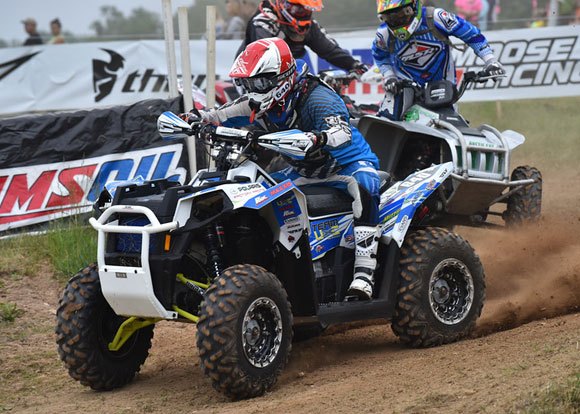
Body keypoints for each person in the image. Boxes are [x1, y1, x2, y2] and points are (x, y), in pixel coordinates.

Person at [189, 37, 382, 300]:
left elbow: (343, 132)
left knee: (366, 186)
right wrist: (196, 119)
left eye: (257, 83)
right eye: (247, 83)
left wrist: (319, 138)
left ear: (280, 77)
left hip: (346, 166)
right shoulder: (258, 104)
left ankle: (364, 274)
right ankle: (265, 267)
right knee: (254, 191)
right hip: (304, 172)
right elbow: (218, 115)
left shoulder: (318, 97)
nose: (252, 90)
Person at [372, 0, 505, 120]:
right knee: (386, 122)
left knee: (450, 126)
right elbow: (380, 56)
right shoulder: (383, 34)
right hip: (404, 86)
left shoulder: (436, 17)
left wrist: (490, 61)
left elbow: (472, 35)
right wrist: (389, 77)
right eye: (390, 18)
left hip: (442, 84)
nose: (398, 21)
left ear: (414, 6)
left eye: (401, 14)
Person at [237, 0, 368, 76]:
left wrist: (354, 65)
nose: (304, 15)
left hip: (285, 73)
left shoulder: (309, 25)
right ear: (285, 4)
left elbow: (329, 50)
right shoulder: (264, 21)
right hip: (251, 74)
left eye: (307, 11)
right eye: (300, 11)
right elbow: (263, 59)